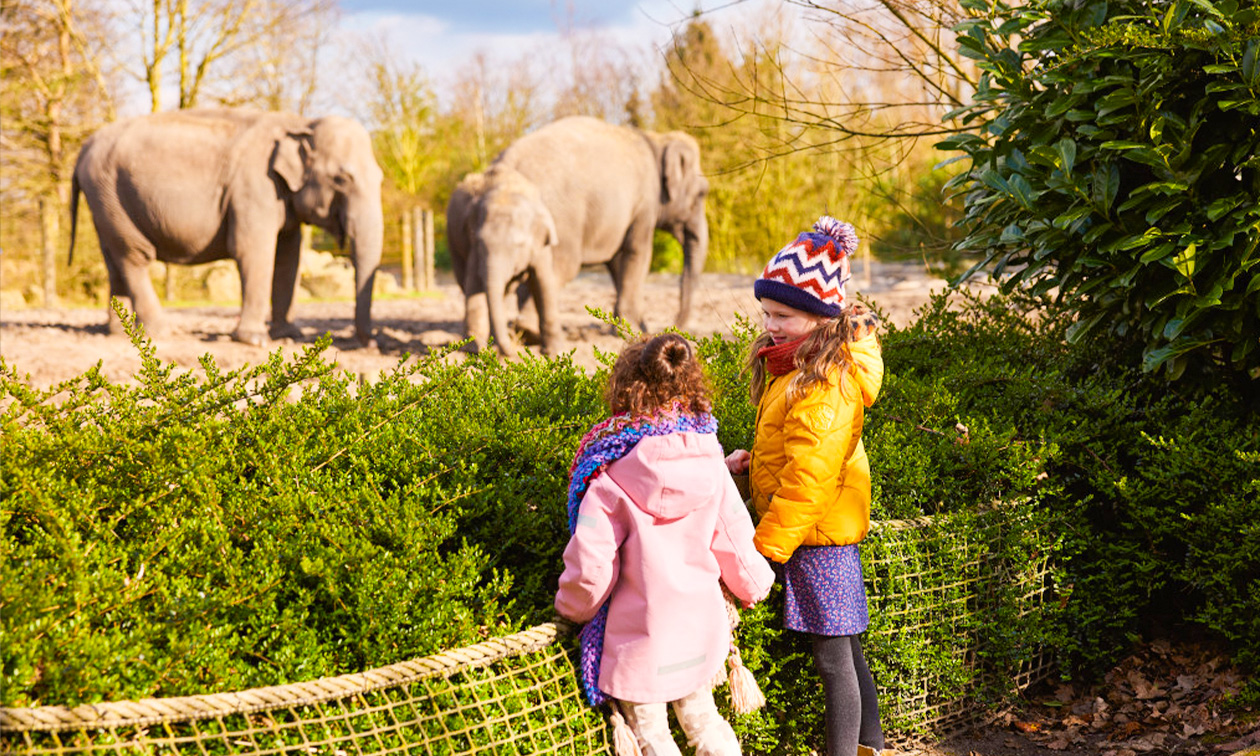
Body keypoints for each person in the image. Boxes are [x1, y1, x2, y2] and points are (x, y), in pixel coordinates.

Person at [556, 332, 776, 756]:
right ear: (691, 386)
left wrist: (572, 609)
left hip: (639, 642)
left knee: (653, 737)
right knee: (707, 723)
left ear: (625, 392)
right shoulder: (710, 460)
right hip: (699, 636)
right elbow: (735, 538)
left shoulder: (608, 478)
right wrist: (754, 587)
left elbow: (592, 565)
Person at [724, 215, 886, 756]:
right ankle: (871, 745)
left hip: (816, 536)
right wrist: (756, 462)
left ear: (819, 317)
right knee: (847, 649)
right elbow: (794, 450)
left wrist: (765, 549)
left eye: (784, 315)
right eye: (767, 312)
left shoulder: (821, 382)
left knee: (833, 657)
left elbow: (811, 476)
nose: (770, 324)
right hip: (814, 531)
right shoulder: (796, 368)